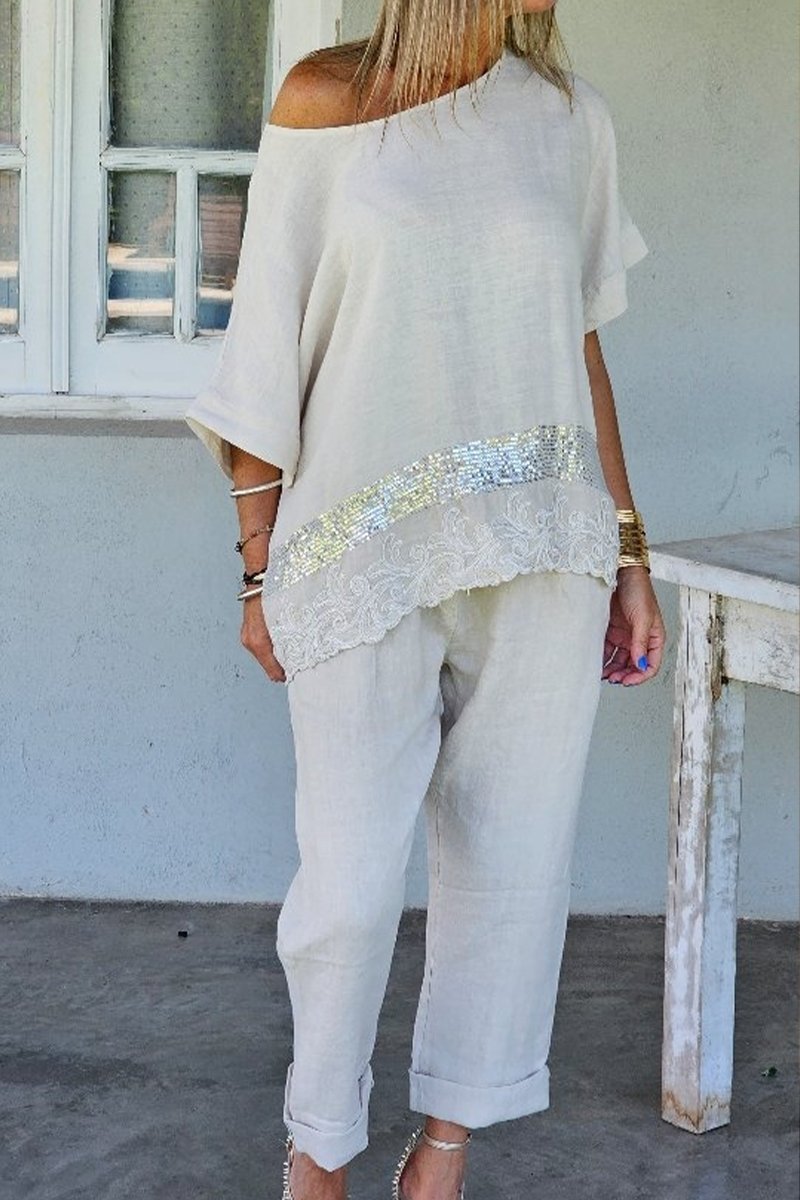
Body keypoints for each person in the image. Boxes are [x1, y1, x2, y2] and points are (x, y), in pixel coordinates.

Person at [185, 1, 667, 1196]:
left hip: (542, 545)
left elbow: (578, 345)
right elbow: (265, 342)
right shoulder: (322, 101)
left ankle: (442, 1148)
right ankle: (317, 1149)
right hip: (358, 553)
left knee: (512, 865)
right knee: (346, 890)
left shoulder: (569, 120)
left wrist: (627, 551)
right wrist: (258, 564)